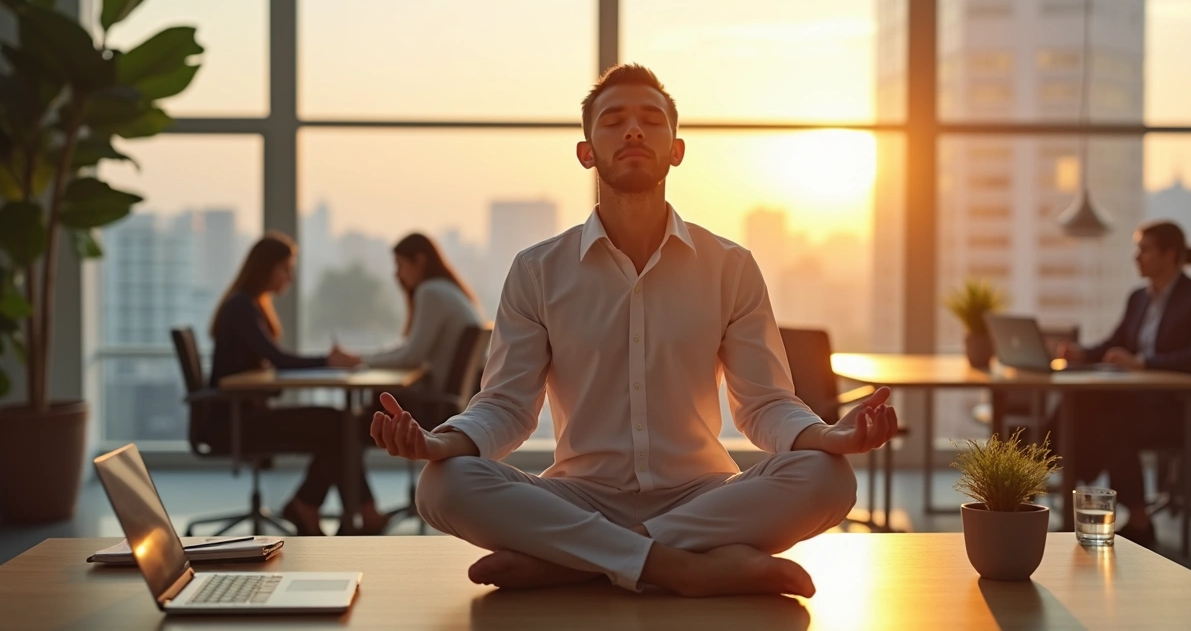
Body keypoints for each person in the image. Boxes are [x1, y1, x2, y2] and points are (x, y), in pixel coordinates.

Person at [369, 64, 898, 597]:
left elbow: (764, 404)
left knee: (829, 477)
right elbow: (506, 406)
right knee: (443, 484)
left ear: (676, 149)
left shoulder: (729, 266)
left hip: (701, 494)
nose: (633, 131)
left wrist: (827, 436)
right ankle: (684, 567)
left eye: (650, 120)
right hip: (579, 495)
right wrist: (444, 441)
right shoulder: (537, 270)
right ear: (586, 152)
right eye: (613, 120)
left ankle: (579, 561)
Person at [209, 232, 387, 535]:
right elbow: (278, 360)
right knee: (340, 425)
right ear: (266, 268)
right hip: (237, 421)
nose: (290, 277)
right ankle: (331, 508)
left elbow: (271, 363)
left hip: (246, 414)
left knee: (342, 425)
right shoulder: (242, 307)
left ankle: (340, 510)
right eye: (286, 268)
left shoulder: (249, 305)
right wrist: (328, 361)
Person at [1056, 221, 1191, 546]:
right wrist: (1082, 353)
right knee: (1080, 403)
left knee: (1111, 421)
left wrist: (1143, 363)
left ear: (1170, 255)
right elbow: (1117, 342)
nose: (1136, 257)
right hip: (1141, 402)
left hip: (1184, 408)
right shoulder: (1138, 299)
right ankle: (1072, 493)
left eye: (1144, 249)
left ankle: (1138, 518)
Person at [363, 233, 483, 410]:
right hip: (448, 403)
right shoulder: (450, 291)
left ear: (419, 260)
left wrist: (362, 361)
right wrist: (364, 358)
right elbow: (411, 347)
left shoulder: (430, 292)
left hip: (429, 404)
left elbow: (412, 355)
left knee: (376, 400)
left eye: (400, 265)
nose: (397, 275)